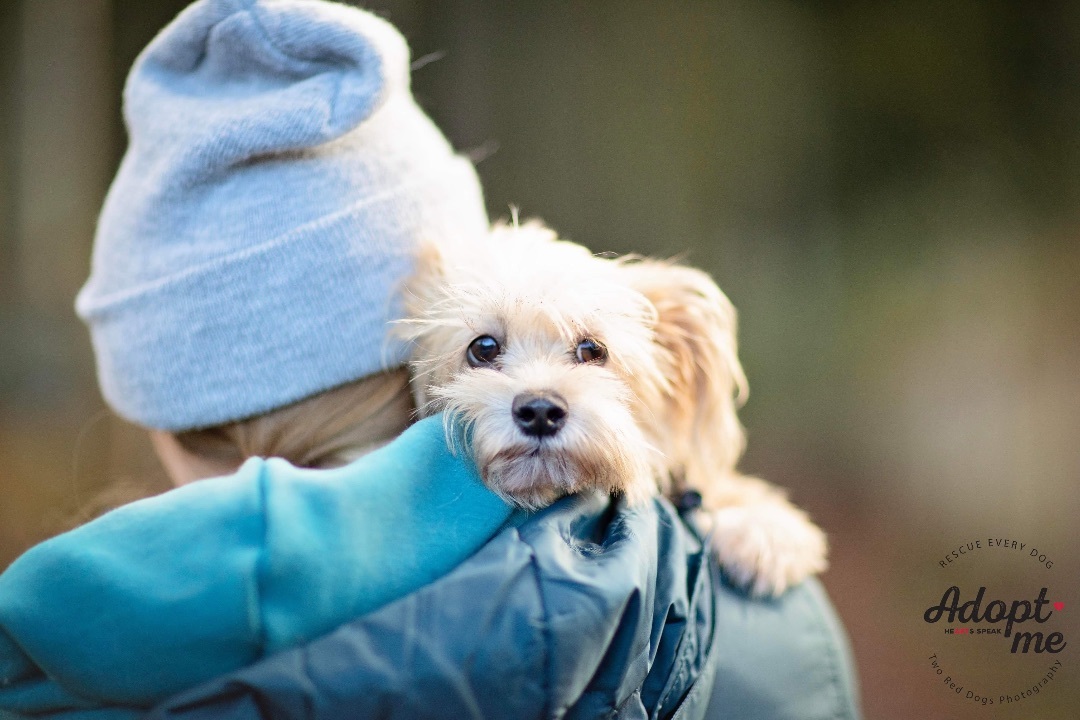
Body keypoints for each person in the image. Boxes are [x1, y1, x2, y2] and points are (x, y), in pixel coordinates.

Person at [0, 1, 862, 718]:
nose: (534, 390)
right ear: (422, 362)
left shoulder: (64, 650)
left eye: (588, 352)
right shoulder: (763, 620)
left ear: (170, 415)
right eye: (485, 350)